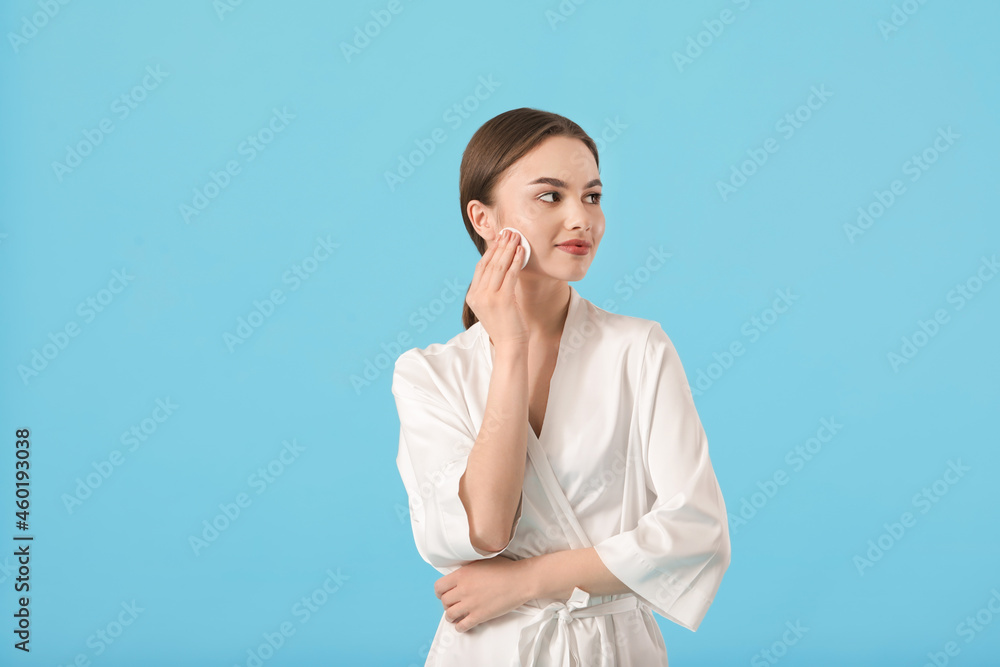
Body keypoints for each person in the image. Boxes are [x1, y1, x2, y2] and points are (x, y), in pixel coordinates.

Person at [392, 107, 731, 666]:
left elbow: (695, 529)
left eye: (592, 197)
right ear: (482, 218)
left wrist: (526, 581)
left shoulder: (639, 349)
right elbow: (486, 528)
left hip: (616, 650)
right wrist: (511, 350)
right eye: (550, 196)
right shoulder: (430, 374)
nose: (581, 219)